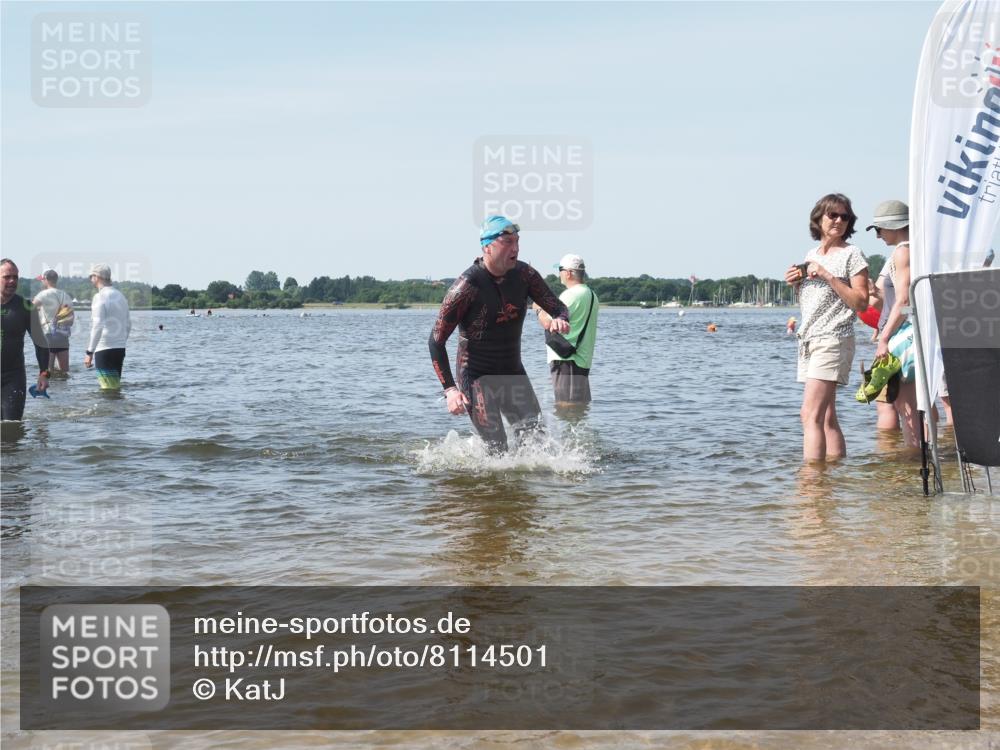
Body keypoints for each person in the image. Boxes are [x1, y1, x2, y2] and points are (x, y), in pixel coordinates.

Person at [429, 216, 569, 453]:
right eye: (507, 242)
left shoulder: (526, 275)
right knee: (497, 449)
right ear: (487, 247)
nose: (515, 248)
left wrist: (560, 320)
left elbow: (559, 307)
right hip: (475, 376)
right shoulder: (466, 287)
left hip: (513, 371)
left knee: (539, 445)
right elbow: (436, 342)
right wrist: (451, 390)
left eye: (517, 241)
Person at [784, 194, 869, 462]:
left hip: (833, 337)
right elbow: (813, 301)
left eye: (845, 216)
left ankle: (812, 483)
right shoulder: (811, 255)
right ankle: (833, 475)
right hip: (809, 339)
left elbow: (861, 302)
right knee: (827, 416)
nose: (839, 221)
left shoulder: (852, 254)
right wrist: (795, 282)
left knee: (809, 415)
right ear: (818, 219)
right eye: (833, 215)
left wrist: (828, 275)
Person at [868, 200, 920, 449]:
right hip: (909, 331)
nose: (878, 236)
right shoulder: (912, 249)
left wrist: (885, 338)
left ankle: (914, 462)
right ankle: (920, 458)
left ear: (894, 226)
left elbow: (903, 300)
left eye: (879, 230)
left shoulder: (903, 251)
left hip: (903, 333)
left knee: (906, 406)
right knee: (912, 404)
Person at [532, 254, 599, 406]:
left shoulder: (570, 295)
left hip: (566, 360)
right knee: (579, 410)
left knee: (564, 407)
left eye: (560, 270)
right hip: (582, 360)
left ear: (568, 273)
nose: (559, 274)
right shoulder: (592, 295)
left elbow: (549, 324)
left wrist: (538, 309)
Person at [1, 259, 49, 420]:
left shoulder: (26, 307)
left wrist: (44, 373)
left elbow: (40, 343)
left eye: (15, 277)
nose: (12, 281)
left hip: (13, 377)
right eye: (7, 277)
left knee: (11, 426)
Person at [84, 263, 131, 390]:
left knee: (107, 389)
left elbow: (97, 326)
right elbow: (128, 325)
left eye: (91, 276)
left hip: (104, 349)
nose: (90, 280)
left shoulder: (99, 297)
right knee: (114, 388)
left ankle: (109, 410)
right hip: (119, 348)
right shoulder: (121, 296)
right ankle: (118, 409)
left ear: (97, 277)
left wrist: (89, 352)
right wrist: (121, 341)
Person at [32, 269, 74, 374]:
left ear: (46, 279)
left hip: (48, 335)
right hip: (62, 336)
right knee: (64, 371)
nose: (41, 281)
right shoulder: (65, 295)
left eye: (42, 280)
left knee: (47, 371)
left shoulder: (42, 294)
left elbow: (30, 309)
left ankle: (50, 390)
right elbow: (71, 318)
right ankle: (64, 389)